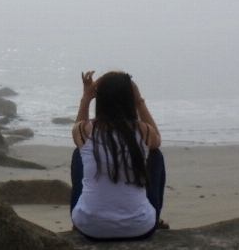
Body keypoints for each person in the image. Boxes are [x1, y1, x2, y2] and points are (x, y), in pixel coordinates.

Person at [70, 71, 167, 240]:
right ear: (129, 99)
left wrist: (86, 97)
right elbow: (156, 139)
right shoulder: (143, 132)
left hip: (89, 228)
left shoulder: (84, 131)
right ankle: (153, 216)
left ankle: (85, 214)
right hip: (139, 228)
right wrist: (139, 100)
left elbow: (79, 127)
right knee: (155, 154)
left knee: (80, 152)